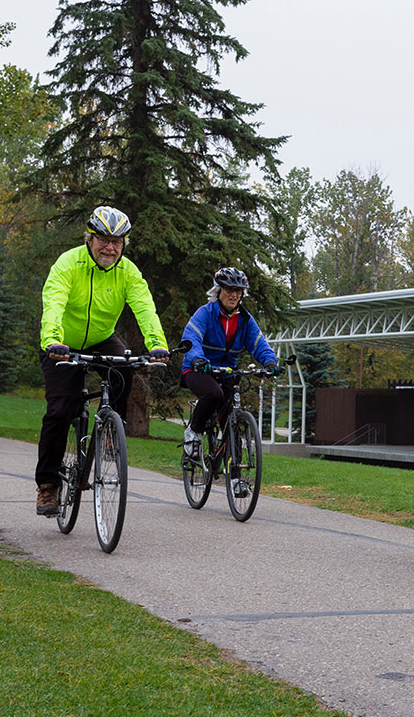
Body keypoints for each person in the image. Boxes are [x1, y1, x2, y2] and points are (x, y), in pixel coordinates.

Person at [34, 206, 170, 516]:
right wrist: (53, 340)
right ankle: (47, 486)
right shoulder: (68, 263)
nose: (110, 247)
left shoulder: (128, 272)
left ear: (124, 245)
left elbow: (145, 309)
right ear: (90, 239)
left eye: (117, 242)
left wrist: (157, 344)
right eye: (104, 240)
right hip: (61, 342)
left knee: (124, 366)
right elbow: (53, 301)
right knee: (59, 411)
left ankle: (112, 428)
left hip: (100, 337)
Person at [179, 267, 278, 462]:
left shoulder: (245, 320)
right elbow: (191, 339)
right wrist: (198, 359)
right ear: (219, 290)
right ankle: (194, 432)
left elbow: (259, 343)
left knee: (231, 421)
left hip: (226, 373)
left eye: (238, 291)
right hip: (197, 368)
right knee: (213, 393)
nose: (234, 295)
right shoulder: (205, 313)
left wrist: (270, 361)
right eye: (229, 289)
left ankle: (236, 478)